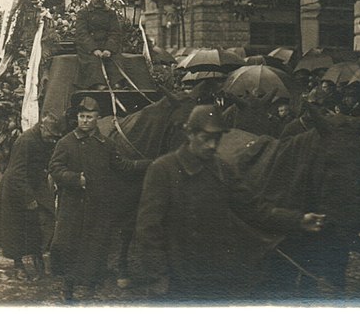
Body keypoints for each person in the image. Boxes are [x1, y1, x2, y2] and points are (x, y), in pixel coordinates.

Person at [135, 105, 326, 303]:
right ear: (190, 134)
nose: (212, 145)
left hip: (215, 276)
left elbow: (255, 209)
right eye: (206, 138)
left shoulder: (222, 170)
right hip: (177, 278)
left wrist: (298, 220)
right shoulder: (163, 169)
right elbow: (148, 229)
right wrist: (158, 276)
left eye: (217, 139)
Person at [49, 97, 151, 302]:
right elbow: (55, 168)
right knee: (69, 246)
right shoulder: (66, 142)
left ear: (97, 119)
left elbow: (122, 166)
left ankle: (89, 287)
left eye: (89, 117)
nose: (85, 121)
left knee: (95, 246)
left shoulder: (106, 144)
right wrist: (75, 179)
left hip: (98, 206)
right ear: (77, 118)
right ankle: (67, 288)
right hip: (73, 208)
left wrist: (149, 164)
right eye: (82, 116)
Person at [0, 113, 64, 281]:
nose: (53, 140)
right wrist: (29, 198)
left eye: (55, 137)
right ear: (42, 127)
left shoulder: (45, 140)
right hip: (16, 187)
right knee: (15, 228)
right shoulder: (26, 141)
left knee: (40, 222)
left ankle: (38, 258)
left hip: (35, 183)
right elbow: (17, 173)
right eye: (51, 136)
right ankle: (18, 265)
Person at [74, 0, 124, 90]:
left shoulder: (111, 13)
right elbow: (82, 33)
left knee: (115, 57)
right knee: (93, 60)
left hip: (106, 45)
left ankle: (117, 83)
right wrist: (93, 49)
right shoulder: (83, 13)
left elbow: (115, 32)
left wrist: (109, 49)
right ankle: (98, 83)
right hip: (89, 47)